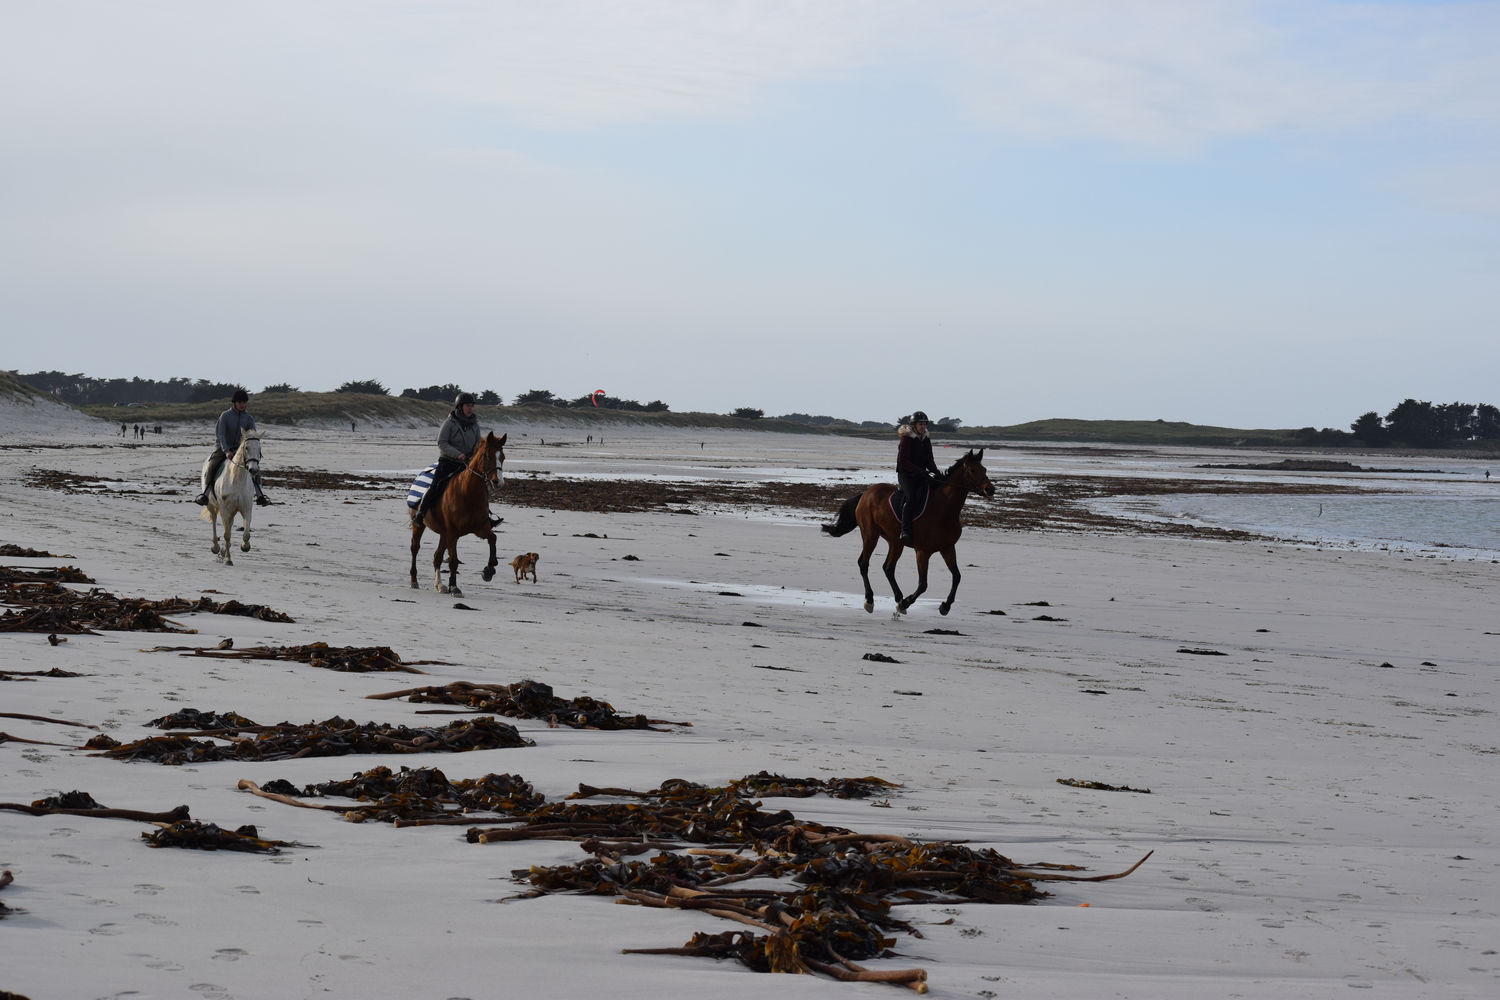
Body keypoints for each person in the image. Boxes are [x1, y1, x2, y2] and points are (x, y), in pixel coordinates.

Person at [410, 392, 500, 527]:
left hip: (467, 463)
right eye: (467, 406)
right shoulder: (449, 423)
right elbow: (442, 442)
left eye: (472, 406)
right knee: (436, 485)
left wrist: (473, 455)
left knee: (481, 487)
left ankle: (487, 517)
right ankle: (420, 513)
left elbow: (477, 443)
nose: (470, 408)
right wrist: (458, 454)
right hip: (448, 461)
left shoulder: (475, 424)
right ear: (460, 407)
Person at [195, 388, 270, 506]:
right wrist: (226, 451)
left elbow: (252, 435)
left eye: (244, 402)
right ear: (234, 403)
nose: (242, 405)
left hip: (240, 450)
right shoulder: (225, 416)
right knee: (212, 465)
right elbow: (220, 434)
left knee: (255, 468)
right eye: (240, 402)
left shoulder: (248, 418)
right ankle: (205, 494)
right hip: (222, 448)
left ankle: (260, 495)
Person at [895, 410, 942, 544]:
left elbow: (929, 460)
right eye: (920, 424)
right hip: (906, 475)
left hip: (920, 474)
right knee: (911, 498)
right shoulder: (906, 438)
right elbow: (903, 462)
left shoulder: (926, 439)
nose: (922, 426)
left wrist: (936, 472)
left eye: (924, 424)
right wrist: (920, 471)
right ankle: (905, 530)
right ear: (914, 425)